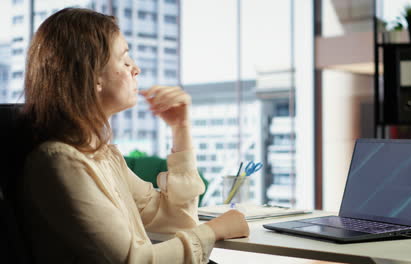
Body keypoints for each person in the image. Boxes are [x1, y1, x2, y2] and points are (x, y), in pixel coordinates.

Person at [17, 7, 249, 264]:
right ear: (93, 76)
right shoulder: (60, 161)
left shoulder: (102, 155)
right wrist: (214, 230)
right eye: (125, 61)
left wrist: (180, 128)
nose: (135, 69)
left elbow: (175, 220)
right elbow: (131, 261)